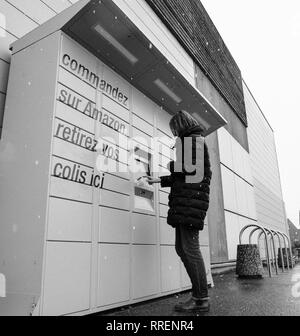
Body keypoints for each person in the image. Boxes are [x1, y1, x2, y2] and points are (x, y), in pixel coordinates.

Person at [147, 110, 212, 313]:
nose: (174, 133)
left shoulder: (193, 140)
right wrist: (160, 179)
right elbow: (187, 174)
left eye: (174, 128)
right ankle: (199, 295)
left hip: (190, 203)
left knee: (189, 249)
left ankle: (201, 298)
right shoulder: (191, 141)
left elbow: (193, 170)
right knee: (182, 248)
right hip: (187, 202)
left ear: (180, 125)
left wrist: (171, 164)